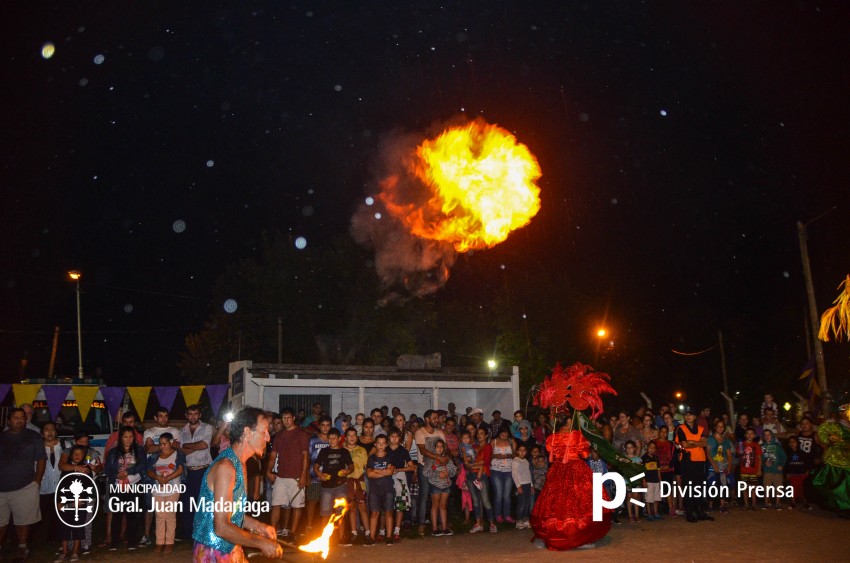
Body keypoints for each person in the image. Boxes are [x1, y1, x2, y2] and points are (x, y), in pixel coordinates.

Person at [191, 407, 282, 561]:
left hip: (230, 545)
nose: (268, 437)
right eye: (264, 431)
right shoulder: (226, 467)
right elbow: (221, 527)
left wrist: (258, 526)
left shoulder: (240, 464)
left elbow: (233, 513)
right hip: (214, 552)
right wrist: (260, 542)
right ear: (247, 432)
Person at [0, 408, 47, 560]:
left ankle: (22, 546)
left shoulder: (33, 436)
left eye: (22, 417)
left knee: (24, 520)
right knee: (1, 521)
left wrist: (37, 481)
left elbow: (41, 459)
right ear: (8, 420)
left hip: (25, 485)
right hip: (1, 487)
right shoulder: (1, 437)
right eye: (16, 417)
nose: (20, 420)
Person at [140, 408, 180, 547]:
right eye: (160, 416)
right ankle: (147, 535)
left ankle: (169, 538)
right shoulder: (149, 432)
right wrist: (166, 445)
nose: (163, 418)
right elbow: (148, 450)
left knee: (169, 510)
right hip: (151, 472)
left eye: (166, 416)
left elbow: (176, 448)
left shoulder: (175, 431)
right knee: (149, 506)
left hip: (169, 472)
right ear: (155, 417)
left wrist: (156, 445)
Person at [267, 407, 309, 539]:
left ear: (294, 418)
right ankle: (273, 531)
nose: (286, 421)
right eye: (284, 418)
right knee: (276, 503)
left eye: (288, 418)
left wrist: (303, 475)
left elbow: (305, 457)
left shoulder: (301, 434)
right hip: (281, 476)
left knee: (297, 505)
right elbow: (273, 456)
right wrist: (268, 471)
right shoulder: (279, 436)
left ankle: (293, 532)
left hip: (296, 476)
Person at [105, 426, 147, 549]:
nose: (128, 440)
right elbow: (107, 469)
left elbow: (143, 465)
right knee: (117, 515)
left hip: (134, 485)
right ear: (121, 438)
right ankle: (114, 542)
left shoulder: (139, 450)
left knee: (133, 514)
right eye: (125, 437)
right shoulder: (113, 452)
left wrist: (129, 472)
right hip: (118, 486)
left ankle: (132, 541)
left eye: (130, 437)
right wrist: (116, 475)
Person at [313, 428, 353, 546]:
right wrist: (320, 475)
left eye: (334, 438)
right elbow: (316, 466)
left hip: (340, 484)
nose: (331, 441)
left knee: (340, 512)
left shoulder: (344, 452)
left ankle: (341, 538)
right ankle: (324, 539)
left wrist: (347, 471)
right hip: (326, 486)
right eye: (329, 438)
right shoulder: (324, 452)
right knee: (325, 513)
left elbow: (351, 467)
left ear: (339, 439)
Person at [179, 404, 214, 539]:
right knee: (188, 504)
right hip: (188, 471)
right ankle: (189, 534)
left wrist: (185, 445)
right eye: (190, 414)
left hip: (204, 470)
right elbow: (182, 451)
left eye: (195, 414)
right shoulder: (182, 431)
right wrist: (194, 446)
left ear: (199, 415)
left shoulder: (207, 428)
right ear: (186, 415)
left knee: (205, 503)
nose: (193, 416)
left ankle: (205, 533)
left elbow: (204, 445)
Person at [147, 433, 185, 553]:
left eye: (165, 443)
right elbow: (149, 471)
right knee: (159, 515)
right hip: (158, 489)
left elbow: (180, 470)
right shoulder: (154, 456)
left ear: (171, 442)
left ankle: (169, 542)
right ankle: (159, 542)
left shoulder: (177, 454)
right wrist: (159, 478)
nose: (162, 446)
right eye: (160, 444)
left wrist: (167, 478)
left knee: (170, 515)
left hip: (173, 488)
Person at [675, 409, 713, 523]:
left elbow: (705, 443)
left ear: (695, 416)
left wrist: (692, 442)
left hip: (700, 460)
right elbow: (684, 445)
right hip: (688, 460)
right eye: (686, 415)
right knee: (688, 486)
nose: (688, 417)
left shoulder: (700, 429)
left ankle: (700, 511)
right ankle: (689, 512)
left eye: (690, 414)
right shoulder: (681, 428)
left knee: (699, 487)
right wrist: (697, 443)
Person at [413, 410, 446, 537]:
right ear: (427, 419)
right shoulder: (420, 432)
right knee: (424, 496)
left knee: (437, 495)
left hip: (438, 468)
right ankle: (421, 525)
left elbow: (445, 449)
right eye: (434, 418)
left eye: (437, 418)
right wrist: (440, 458)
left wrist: (444, 461)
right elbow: (423, 451)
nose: (437, 420)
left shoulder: (439, 432)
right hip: (425, 467)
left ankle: (438, 524)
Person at [55, 445, 90, 562]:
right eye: (75, 453)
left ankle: (75, 551)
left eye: (80, 454)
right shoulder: (66, 469)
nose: (77, 456)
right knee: (63, 527)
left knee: (78, 526)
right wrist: (60, 501)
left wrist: (81, 499)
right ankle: (64, 552)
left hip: (79, 503)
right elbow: (61, 485)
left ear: (83, 456)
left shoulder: (86, 469)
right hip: (65, 502)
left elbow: (88, 486)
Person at [364, 435, 395, 546]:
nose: (381, 445)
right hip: (375, 490)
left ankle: (389, 537)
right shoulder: (371, 458)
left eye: (383, 443)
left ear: (386, 444)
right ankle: (372, 537)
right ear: (375, 444)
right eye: (379, 443)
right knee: (374, 513)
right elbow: (369, 474)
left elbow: (390, 472)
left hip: (388, 489)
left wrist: (376, 470)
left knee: (388, 512)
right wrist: (383, 471)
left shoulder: (390, 457)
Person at [422, 438, 456, 536]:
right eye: (437, 447)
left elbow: (453, 470)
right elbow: (426, 472)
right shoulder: (431, 459)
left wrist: (447, 473)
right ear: (434, 448)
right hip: (435, 485)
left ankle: (445, 528)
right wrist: (437, 474)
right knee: (435, 505)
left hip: (446, 485)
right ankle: (435, 528)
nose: (440, 449)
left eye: (441, 447)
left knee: (443, 506)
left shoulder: (447, 459)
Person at [386, 428, 414, 542]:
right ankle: (384, 531)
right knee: (387, 505)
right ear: (388, 438)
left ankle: (397, 530)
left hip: (400, 476)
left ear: (400, 438)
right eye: (392, 436)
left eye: (396, 436)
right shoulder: (384, 449)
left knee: (400, 504)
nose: (394, 439)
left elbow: (412, 467)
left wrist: (399, 469)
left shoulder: (403, 450)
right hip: (386, 477)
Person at [342, 427, 368, 545]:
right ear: (346, 437)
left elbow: (365, 467)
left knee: (362, 507)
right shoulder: (341, 450)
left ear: (357, 437)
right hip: (347, 483)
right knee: (351, 507)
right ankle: (354, 532)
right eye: (349, 435)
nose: (352, 437)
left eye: (354, 435)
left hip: (359, 482)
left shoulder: (362, 450)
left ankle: (367, 532)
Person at [305, 416, 332, 533]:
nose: (325, 428)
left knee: (326, 505)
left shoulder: (333, 440)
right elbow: (307, 458)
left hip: (329, 478)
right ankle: (309, 527)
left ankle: (324, 529)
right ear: (319, 426)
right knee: (312, 502)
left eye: (328, 425)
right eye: (323, 425)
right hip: (314, 476)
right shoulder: (313, 440)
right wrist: (306, 476)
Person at [40, 422, 63, 543]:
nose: (49, 432)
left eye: (52, 429)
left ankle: (53, 538)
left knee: (57, 513)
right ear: (42, 433)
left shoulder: (64, 445)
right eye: (46, 429)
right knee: (40, 513)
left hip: (59, 485)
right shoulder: (38, 447)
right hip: (43, 487)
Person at [706, 420, 734, 512]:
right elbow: (708, 453)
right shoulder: (710, 439)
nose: (720, 428)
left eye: (722, 426)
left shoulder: (726, 441)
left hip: (723, 464)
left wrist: (729, 467)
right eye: (718, 426)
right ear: (715, 427)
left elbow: (729, 455)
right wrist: (714, 465)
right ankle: (710, 504)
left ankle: (722, 505)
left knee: (723, 484)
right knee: (712, 483)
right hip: (713, 464)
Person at [490, 427, 515, 524]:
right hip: (496, 470)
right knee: (499, 494)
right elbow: (488, 455)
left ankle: (507, 515)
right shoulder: (494, 442)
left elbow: (516, 455)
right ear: (499, 434)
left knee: (507, 495)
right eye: (502, 434)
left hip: (509, 470)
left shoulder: (511, 441)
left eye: (506, 434)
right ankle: (498, 515)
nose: (504, 436)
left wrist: (509, 455)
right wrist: (496, 455)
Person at [785, 436, 814, 509]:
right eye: (790, 442)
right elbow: (786, 464)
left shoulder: (803, 453)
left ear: (797, 443)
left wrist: (807, 471)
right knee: (792, 489)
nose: (792, 444)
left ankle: (805, 503)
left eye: (793, 442)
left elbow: (808, 462)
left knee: (802, 489)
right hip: (792, 474)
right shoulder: (787, 453)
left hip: (801, 473)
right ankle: (792, 503)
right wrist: (787, 473)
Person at [738, 428, 763, 510]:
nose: (749, 435)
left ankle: (754, 504)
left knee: (753, 488)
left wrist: (759, 469)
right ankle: (746, 504)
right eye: (748, 433)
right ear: (745, 435)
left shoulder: (756, 445)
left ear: (754, 435)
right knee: (744, 488)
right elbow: (739, 453)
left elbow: (759, 458)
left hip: (753, 470)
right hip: (744, 470)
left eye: (751, 433)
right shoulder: (742, 444)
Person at [511, 444, 533, 529]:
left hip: (527, 484)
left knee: (527, 503)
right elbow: (514, 475)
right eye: (520, 450)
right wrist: (518, 486)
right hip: (521, 484)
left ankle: (525, 520)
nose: (522, 452)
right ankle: (519, 520)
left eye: (524, 450)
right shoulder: (515, 461)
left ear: (526, 452)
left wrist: (531, 485)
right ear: (517, 451)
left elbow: (528, 473)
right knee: (521, 503)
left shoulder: (526, 461)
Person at [641, 440, 662, 520]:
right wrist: (643, 480)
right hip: (648, 481)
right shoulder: (644, 458)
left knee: (656, 498)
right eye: (650, 447)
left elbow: (658, 471)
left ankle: (656, 513)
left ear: (655, 449)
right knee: (649, 499)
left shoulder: (656, 458)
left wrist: (660, 481)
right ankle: (649, 513)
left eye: (654, 448)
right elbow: (641, 471)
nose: (652, 449)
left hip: (656, 480)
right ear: (647, 448)